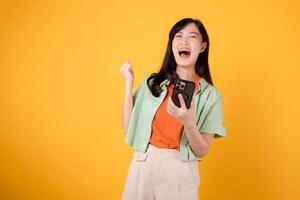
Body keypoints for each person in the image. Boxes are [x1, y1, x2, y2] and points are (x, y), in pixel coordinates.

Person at [119, 17, 227, 200]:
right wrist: (129, 83)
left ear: (202, 46)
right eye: (178, 35)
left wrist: (189, 122)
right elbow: (127, 127)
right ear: (172, 44)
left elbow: (202, 150)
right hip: (143, 163)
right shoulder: (153, 83)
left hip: (179, 167)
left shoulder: (211, 96)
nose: (184, 41)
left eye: (192, 36)